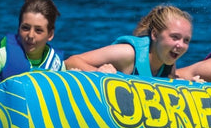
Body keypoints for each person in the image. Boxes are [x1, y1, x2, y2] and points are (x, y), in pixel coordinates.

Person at [65, 5, 193, 78]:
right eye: (175, 37)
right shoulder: (128, 54)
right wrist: (97, 73)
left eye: (186, 40)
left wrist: (190, 85)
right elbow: (71, 61)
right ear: (155, 34)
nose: (181, 45)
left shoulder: (168, 62)